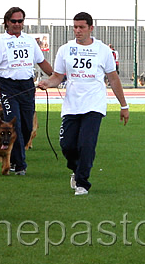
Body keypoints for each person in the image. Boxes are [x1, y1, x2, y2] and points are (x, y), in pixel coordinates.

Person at [37, 12, 129, 195]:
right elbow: (57, 77)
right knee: (67, 145)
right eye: (75, 27)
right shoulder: (65, 49)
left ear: (90, 28)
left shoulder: (103, 50)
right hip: (72, 104)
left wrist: (123, 105)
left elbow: (113, 78)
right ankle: (76, 169)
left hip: (94, 104)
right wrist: (47, 83)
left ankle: (82, 183)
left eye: (82, 27)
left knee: (86, 144)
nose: (77, 31)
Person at [0, 7, 53, 176]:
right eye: (14, 21)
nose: (17, 24)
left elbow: (41, 61)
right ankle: (19, 164)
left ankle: (15, 158)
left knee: (27, 126)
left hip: (27, 86)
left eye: (20, 21)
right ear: (6, 22)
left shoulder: (30, 40)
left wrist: (56, 76)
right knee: (14, 124)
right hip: (8, 86)